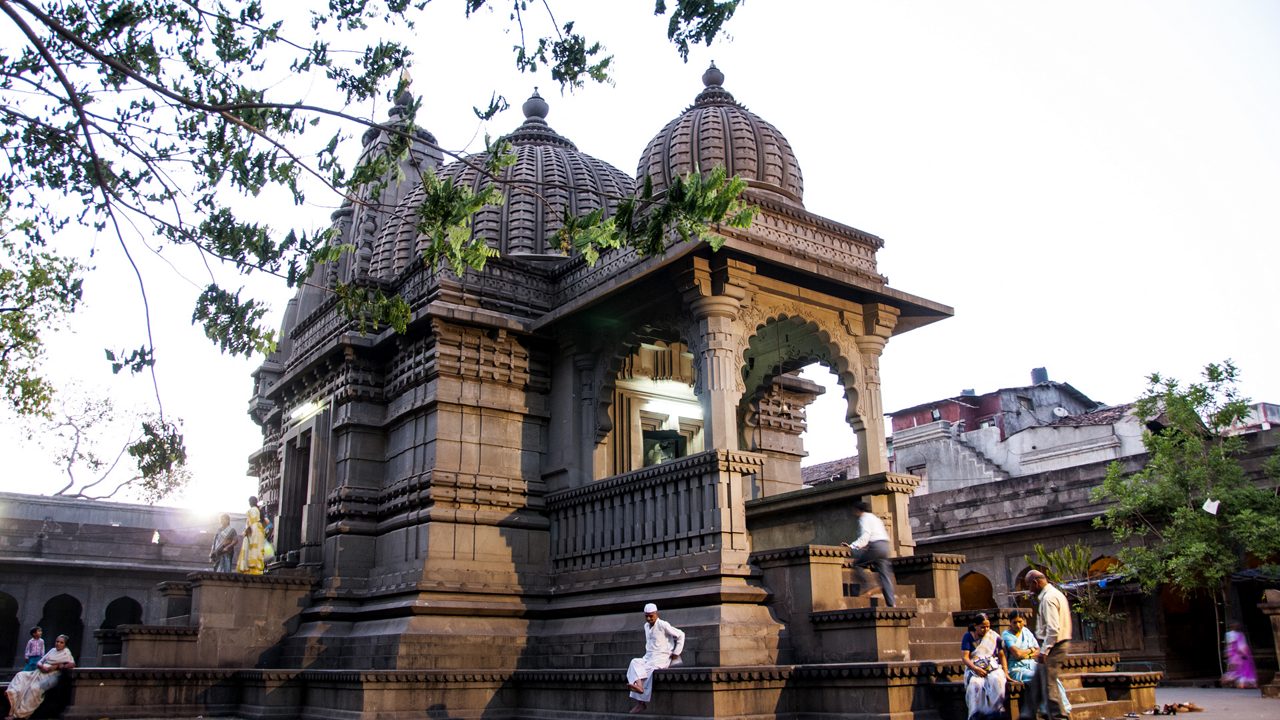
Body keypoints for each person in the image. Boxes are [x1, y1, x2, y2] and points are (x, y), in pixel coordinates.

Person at [1019, 570, 1072, 720]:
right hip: (1056, 644)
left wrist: (1045, 651)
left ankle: (1059, 717)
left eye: (1029, 585)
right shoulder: (1056, 594)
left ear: (1035, 583)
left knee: (1048, 685)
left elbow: (1053, 629)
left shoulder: (1049, 598)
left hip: (1055, 645)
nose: (1029, 590)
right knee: (1037, 683)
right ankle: (1027, 715)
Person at [1002, 610, 1071, 716]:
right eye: (1014, 622)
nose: (1018, 625)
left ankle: (1064, 708)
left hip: (1032, 665)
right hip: (1017, 669)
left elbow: (1038, 651)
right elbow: (1017, 654)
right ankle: (1047, 710)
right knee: (1041, 679)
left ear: (1024, 621)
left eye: (1020, 621)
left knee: (1052, 678)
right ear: (1010, 623)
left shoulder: (1027, 632)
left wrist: (1026, 654)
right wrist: (1030, 651)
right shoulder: (1007, 635)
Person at [625, 602, 685, 714]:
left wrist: (676, 652)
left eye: (651, 616)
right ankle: (639, 686)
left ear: (656, 614)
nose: (648, 618)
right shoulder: (646, 626)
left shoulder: (663, 624)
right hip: (648, 656)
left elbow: (681, 634)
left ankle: (640, 703)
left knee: (648, 670)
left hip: (661, 657)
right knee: (634, 662)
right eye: (646, 616)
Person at [4, 634, 75, 719]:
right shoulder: (52, 650)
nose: (58, 644)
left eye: (61, 642)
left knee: (34, 689)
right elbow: (40, 661)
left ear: (65, 644)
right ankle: (12, 693)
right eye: (57, 641)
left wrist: (57, 666)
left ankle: (19, 714)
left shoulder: (66, 652)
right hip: (39, 672)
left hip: (51, 676)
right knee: (20, 675)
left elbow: (72, 664)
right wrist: (41, 666)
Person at [841, 500, 897, 606]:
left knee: (857, 564)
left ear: (858, 510)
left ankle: (867, 586)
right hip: (885, 547)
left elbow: (865, 536)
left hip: (876, 547)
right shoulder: (875, 518)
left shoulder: (864, 518)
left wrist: (852, 546)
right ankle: (891, 604)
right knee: (884, 576)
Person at [961, 613, 1008, 720]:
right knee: (975, 685)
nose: (986, 629)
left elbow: (1001, 655)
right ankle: (976, 714)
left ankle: (995, 711)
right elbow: (965, 657)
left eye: (988, 626)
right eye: (982, 627)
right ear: (975, 626)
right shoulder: (968, 636)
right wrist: (976, 669)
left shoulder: (994, 636)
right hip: (974, 668)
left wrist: (1005, 671)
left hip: (992, 667)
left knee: (998, 680)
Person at [237, 496, 268, 575]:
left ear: (251, 502)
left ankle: (251, 568)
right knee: (257, 550)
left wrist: (247, 531)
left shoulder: (252, 510)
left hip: (253, 531)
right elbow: (267, 523)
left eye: (249, 502)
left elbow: (251, 522)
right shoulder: (260, 511)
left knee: (251, 549)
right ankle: (257, 569)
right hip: (259, 531)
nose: (249, 503)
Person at [1221, 622, 1257, 689]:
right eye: (1234, 625)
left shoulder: (1240, 634)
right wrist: (1227, 652)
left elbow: (1242, 645)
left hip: (1241, 653)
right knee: (1233, 668)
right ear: (1231, 627)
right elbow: (1229, 644)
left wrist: (1244, 653)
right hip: (1234, 653)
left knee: (1242, 669)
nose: (1236, 627)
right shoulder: (1229, 634)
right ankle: (1230, 682)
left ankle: (1240, 683)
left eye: (1237, 626)